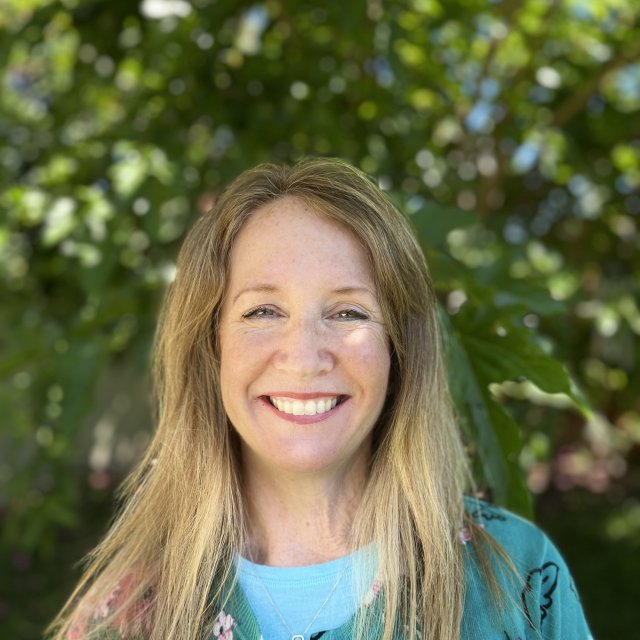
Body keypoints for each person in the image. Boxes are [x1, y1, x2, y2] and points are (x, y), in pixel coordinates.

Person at [49, 158, 593, 640]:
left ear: (397, 349)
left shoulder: (518, 578)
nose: (305, 357)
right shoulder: (122, 619)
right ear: (211, 348)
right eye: (262, 312)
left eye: (348, 312)